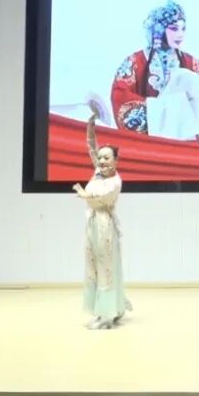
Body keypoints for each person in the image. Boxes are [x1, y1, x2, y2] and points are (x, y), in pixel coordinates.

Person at [110, 0, 199, 140]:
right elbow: (120, 95)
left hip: (183, 138)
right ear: (159, 29)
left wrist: (191, 111)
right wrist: (161, 110)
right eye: (174, 28)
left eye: (183, 29)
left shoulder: (189, 62)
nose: (180, 34)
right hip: (147, 140)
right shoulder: (136, 62)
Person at [71, 112, 132, 329]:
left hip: (105, 226)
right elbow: (91, 145)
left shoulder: (115, 182)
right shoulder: (97, 172)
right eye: (101, 158)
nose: (102, 161)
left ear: (116, 161)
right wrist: (90, 125)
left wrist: (83, 193)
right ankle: (103, 309)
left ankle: (107, 315)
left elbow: (99, 200)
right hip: (92, 224)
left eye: (107, 158)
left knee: (106, 267)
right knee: (92, 266)